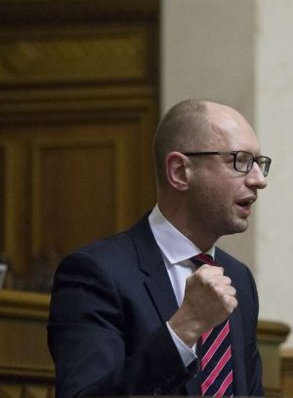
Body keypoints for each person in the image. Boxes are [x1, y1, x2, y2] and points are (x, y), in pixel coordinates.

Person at [47, 99, 271, 397]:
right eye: (239, 161)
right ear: (179, 171)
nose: (259, 180)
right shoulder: (96, 274)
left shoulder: (238, 278)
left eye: (259, 163)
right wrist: (184, 328)